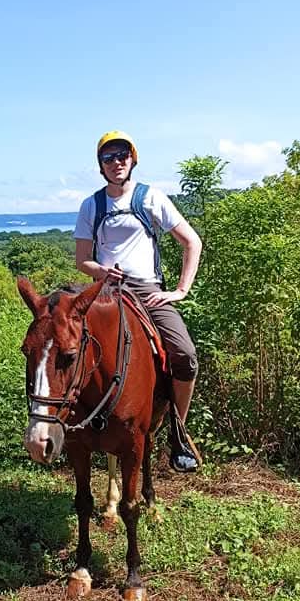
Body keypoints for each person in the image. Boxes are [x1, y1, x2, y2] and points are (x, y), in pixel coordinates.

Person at [73, 131, 203, 472]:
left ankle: (178, 432)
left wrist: (180, 290)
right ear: (100, 165)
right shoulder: (92, 205)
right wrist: (99, 270)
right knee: (67, 347)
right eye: (108, 157)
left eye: (122, 156)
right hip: (106, 292)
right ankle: (67, 426)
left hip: (147, 291)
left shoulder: (151, 198)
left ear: (133, 160)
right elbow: (81, 259)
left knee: (185, 356)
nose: (116, 162)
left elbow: (192, 242)